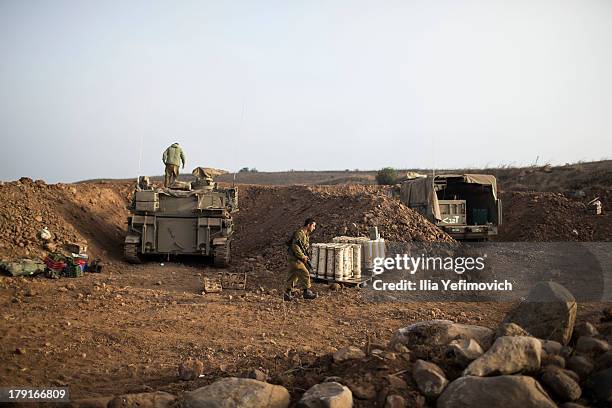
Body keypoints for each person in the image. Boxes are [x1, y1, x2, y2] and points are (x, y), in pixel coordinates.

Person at [284, 218, 318, 301]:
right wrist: (302, 256)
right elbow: (295, 247)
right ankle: (306, 292)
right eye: (313, 226)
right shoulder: (299, 233)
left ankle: (287, 294)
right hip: (295, 258)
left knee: (293, 276)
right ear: (308, 225)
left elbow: (304, 247)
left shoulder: (306, 234)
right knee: (305, 273)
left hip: (296, 258)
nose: (314, 228)